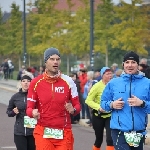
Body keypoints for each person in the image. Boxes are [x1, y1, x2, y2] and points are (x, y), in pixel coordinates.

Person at [26, 47, 81, 150]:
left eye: (57, 59)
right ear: (45, 62)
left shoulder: (68, 81)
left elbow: (78, 106)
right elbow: (28, 109)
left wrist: (73, 109)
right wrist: (32, 112)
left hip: (64, 132)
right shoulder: (35, 82)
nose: (55, 62)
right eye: (52, 59)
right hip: (43, 131)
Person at [101, 51, 150, 150]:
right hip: (119, 131)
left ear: (138, 64)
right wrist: (112, 104)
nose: (130, 65)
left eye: (133, 62)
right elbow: (103, 103)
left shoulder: (147, 83)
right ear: (123, 64)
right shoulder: (114, 83)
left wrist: (142, 103)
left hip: (138, 131)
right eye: (127, 62)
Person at [85, 67, 114, 150]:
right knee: (99, 140)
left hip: (110, 116)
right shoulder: (97, 86)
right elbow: (88, 100)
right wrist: (99, 107)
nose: (110, 75)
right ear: (102, 75)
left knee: (110, 139)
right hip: (98, 116)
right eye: (108, 74)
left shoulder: (114, 85)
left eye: (111, 73)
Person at [6, 74, 35, 150]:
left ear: (31, 83)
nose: (26, 83)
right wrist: (13, 112)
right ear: (21, 83)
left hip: (33, 131)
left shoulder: (35, 96)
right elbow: (8, 112)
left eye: (28, 81)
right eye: (24, 81)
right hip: (19, 131)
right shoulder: (15, 97)